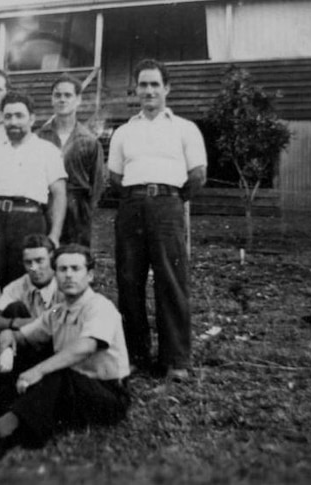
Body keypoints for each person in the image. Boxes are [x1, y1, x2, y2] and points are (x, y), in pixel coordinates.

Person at [0, 245, 131, 456]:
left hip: (107, 394)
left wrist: (39, 371)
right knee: (22, 356)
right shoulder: (58, 310)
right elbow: (23, 336)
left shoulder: (100, 306)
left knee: (56, 372)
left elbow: (86, 346)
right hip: (72, 388)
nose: (68, 275)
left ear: (89, 275)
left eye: (75, 269)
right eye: (62, 269)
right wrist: (9, 338)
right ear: (55, 274)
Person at [107, 58, 207, 381]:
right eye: (143, 84)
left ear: (166, 88)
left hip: (168, 206)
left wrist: (169, 198)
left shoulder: (184, 128)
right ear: (134, 89)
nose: (148, 90)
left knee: (171, 279)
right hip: (131, 207)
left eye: (154, 84)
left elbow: (197, 176)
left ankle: (175, 360)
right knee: (129, 280)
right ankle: (136, 355)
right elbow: (115, 177)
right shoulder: (123, 132)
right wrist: (139, 198)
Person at [0, 91, 67, 287]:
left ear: (32, 118)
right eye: (8, 116)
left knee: (24, 279)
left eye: (19, 116)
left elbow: (59, 194)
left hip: (29, 220)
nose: (13, 121)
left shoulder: (48, 151)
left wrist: (55, 234)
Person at [36, 75, 106, 248]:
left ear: (78, 100)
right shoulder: (39, 138)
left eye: (68, 95)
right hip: (45, 206)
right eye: (57, 95)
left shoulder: (89, 140)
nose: (62, 100)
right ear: (51, 99)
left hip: (78, 210)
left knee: (75, 259)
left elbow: (98, 183)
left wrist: (83, 210)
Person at [0, 234, 63, 333]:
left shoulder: (65, 283)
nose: (33, 268)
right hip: (27, 341)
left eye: (39, 261)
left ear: (52, 259)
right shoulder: (18, 286)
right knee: (15, 308)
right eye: (28, 262)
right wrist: (18, 323)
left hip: (60, 341)